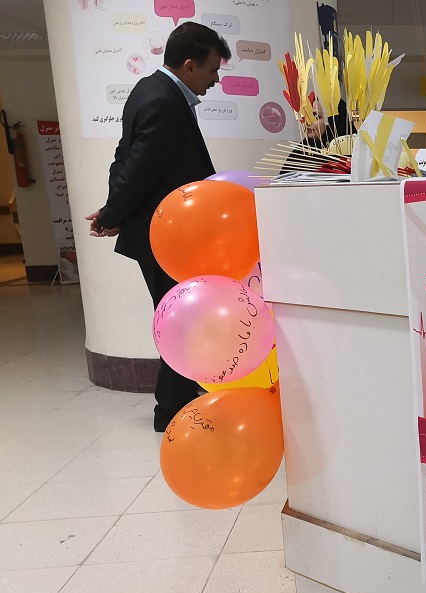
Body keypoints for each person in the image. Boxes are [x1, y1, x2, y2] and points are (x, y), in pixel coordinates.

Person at [86, 22, 232, 432]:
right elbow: (137, 169)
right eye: (212, 70)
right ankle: (170, 408)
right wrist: (113, 214)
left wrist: (115, 213)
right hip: (166, 238)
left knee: (180, 318)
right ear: (189, 66)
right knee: (180, 321)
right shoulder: (163, 101)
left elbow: (124, 160)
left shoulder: (148, 90)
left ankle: (177, 399)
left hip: (163, 232)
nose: (215, 80)